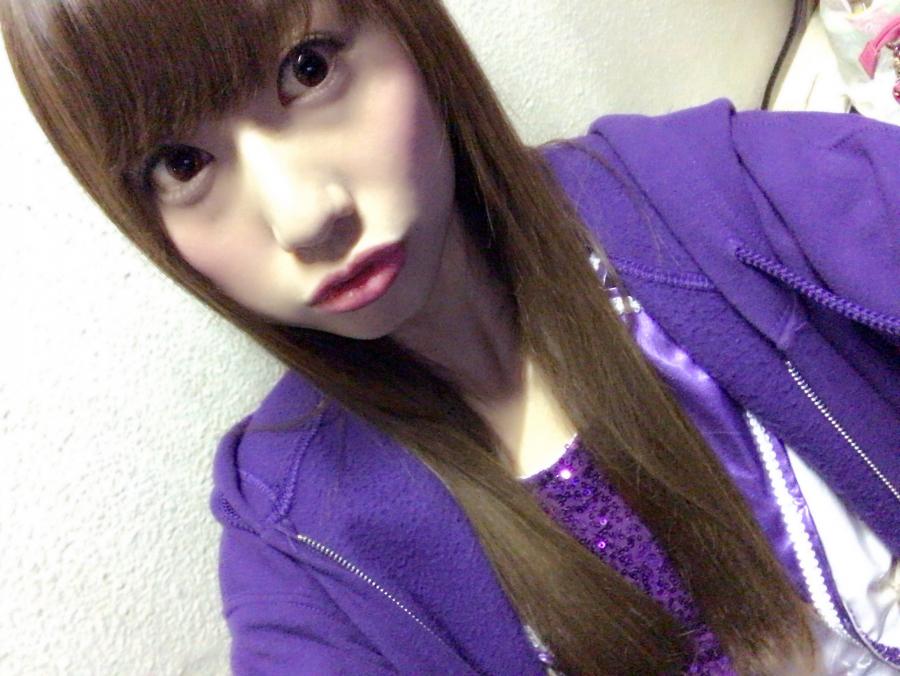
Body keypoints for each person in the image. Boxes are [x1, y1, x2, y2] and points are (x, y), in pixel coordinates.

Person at [1, 0, 897, 673]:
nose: (305, 215)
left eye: (308, 70)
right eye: (182, 164)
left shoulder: (724, 197)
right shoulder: (298, 540)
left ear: (408, 29)